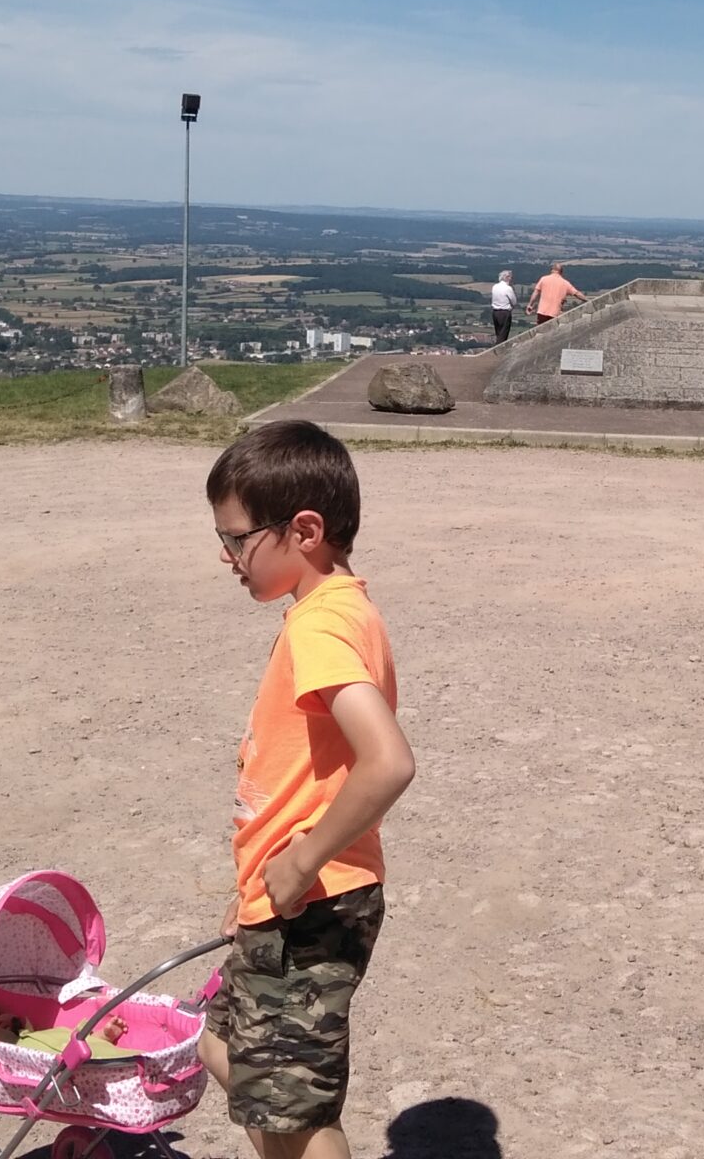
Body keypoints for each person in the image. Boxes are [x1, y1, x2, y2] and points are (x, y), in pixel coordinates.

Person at [199, 420, 416, 1159]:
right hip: (285, 899)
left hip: (314, 903)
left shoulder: (318, 629)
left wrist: (299, 863)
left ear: (305, 531)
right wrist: (258, 884)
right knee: (222, 1048)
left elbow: (387, 761)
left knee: (296, 1117)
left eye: (236, 538)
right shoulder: (343, 609)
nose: (225, 555)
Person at [487, 269, 516, 345]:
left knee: (498, 333)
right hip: (505, 312)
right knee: (503, 334)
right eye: (510, 277)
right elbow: (514, 301)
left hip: (495, 312)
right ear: (507, 277)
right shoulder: (508, 288)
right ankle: (499, 349)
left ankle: (498, 347)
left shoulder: (495, 287)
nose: (511, 279)